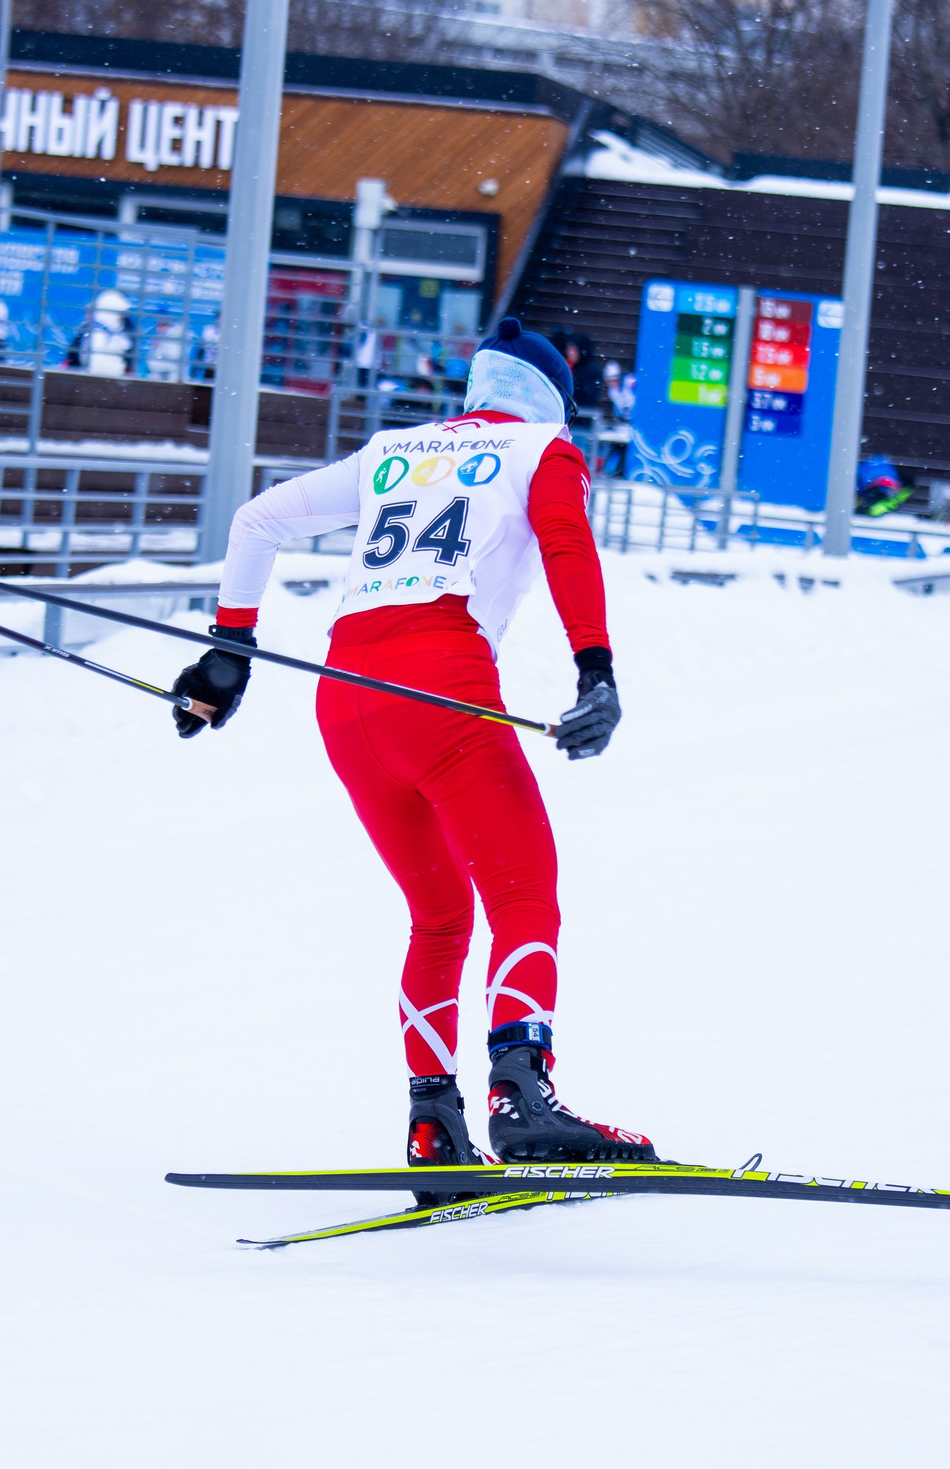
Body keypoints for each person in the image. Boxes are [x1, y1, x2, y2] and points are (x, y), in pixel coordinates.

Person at [171, 316, 655, 1179]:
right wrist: (596, 669)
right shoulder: (544, 449)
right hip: (443, 691)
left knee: (438, 916)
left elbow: (257, 520)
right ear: (554, 401)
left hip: (347, 703)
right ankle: (522, 1092)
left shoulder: (395, 450)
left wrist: (226, 656)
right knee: (523, 894)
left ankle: (434, 1121)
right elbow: (567, 544)